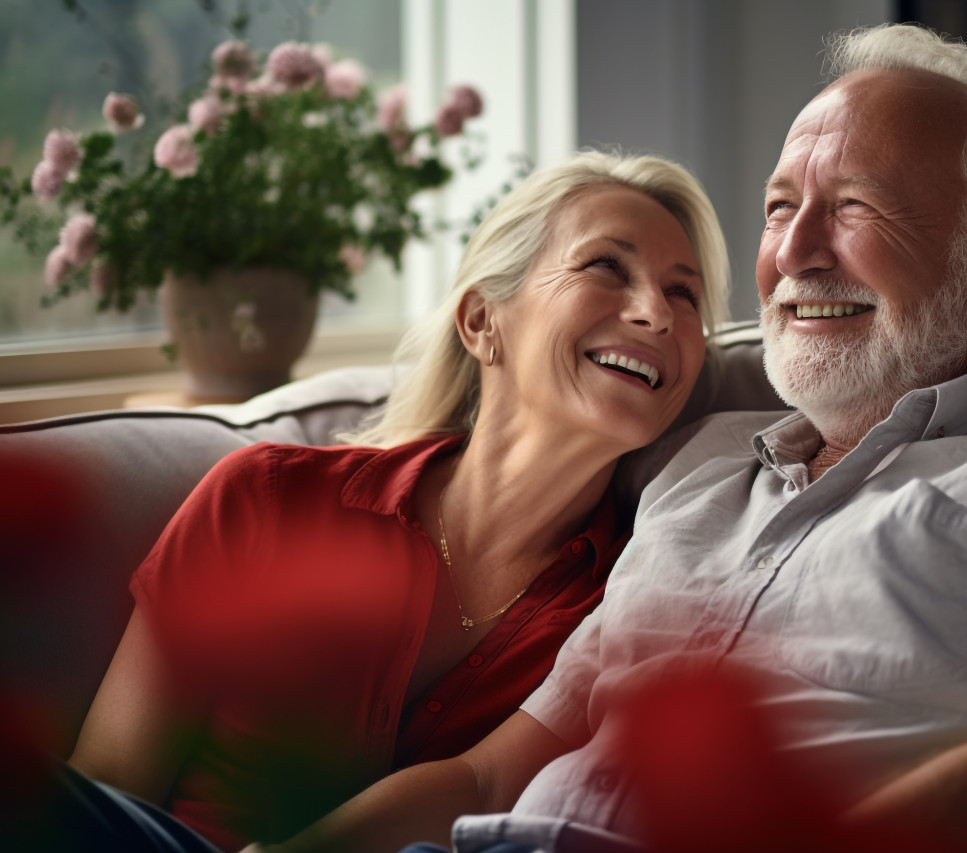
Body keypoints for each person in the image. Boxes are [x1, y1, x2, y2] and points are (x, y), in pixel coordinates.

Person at [247, 23, 967, 853]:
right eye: (777, 208)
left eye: (852, 207)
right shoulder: (702, 461)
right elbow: (490, 768)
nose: (794, 255)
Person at [7, 150, 730, 853]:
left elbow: (492, 792)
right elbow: (106, 788)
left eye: (683, 293)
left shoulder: (636, 600)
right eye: (607, 266)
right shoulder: (264, 498)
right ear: (482, 321)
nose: (656, 314)